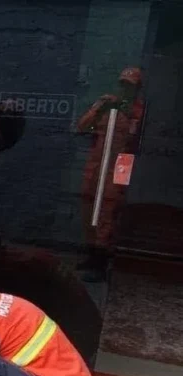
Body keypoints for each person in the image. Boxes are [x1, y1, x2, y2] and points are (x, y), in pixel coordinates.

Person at [0, 217, 103, 365]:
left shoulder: (10, 275)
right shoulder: (7, 262)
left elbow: (12, 324)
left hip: (74, 343)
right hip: (78, 329)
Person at [76, 67, 145, 282]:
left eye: (130, 86)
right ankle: (91, 253)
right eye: (123, 84)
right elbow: (82, 126)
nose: (126, 89)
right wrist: (99, 107)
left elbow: (138, 138)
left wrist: (128, 113)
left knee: (109, 208)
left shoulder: (138, 110)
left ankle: (102, 261)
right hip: (97, 161)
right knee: (88, 204)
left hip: (121, 162)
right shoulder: (107, 105)